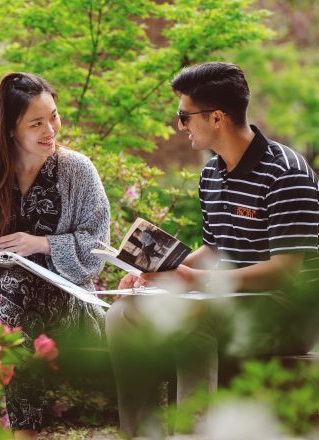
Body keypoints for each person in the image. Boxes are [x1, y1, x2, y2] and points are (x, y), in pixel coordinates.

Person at [105, 62, 319, 437]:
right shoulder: (211, 173)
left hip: (286, 311)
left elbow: (285, 270)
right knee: (122, 315)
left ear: (217, 117)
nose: (179, 126)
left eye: (184, 116)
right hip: (231, 298)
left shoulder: (286, 173)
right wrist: (153, 270)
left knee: (193, 314)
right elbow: (213, 249)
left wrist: (198, 281)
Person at [0, 72, 110, 438]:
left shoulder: (78, 170)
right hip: (1, 314)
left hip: (69, 306)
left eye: (54, 116)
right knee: (18, 322)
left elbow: (98, 246)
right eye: (37, 123)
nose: (51, 130)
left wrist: (40, 244)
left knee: (23, 274)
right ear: (11, 128)